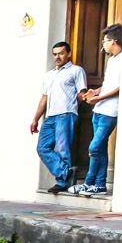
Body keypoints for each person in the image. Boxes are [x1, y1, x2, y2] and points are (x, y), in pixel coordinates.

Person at [30, 41, 89, 194]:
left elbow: (82, 92)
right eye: (55, 54)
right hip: (49, 117)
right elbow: (44, 98)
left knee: (63, 149)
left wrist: (75, 105)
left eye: (61, 53)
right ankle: (66, 172)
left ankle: (62, 182)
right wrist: (35, 119)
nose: (57, 57)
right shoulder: (49, 75)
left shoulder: (76, 71)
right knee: (42, 148)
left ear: (68, 54)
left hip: (66, 114)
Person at [74, 24, 122, 196]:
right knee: (100, 148)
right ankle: (100, 185)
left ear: (114, 41)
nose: (103, 44)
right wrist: (95, 91)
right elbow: (108, 85)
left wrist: (98, 98)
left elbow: (120, 88)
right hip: (99, 110)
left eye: (106, 40)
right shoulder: (112, 61)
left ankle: (88, 182)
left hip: (111, 111)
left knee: (94, 147)